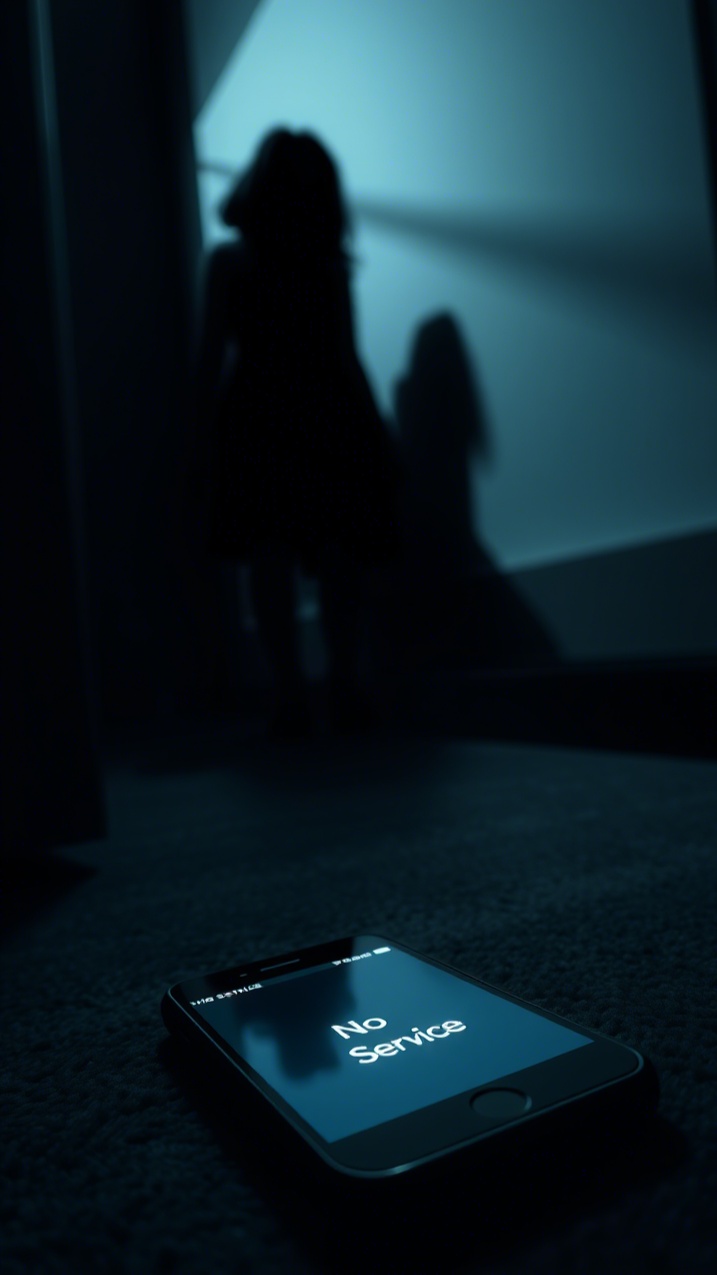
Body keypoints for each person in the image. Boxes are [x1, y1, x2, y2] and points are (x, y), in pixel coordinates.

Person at [192, 128, 399, 735]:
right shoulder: (327, 268)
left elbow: (209, 360)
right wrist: (375, 433)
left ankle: (290, 693)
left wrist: (197, 437)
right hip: (325, 412)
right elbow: (346, 356)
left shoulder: (231, 263)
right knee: (336, 554)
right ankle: (341, 683)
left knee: (271, 554)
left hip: (259, 416)